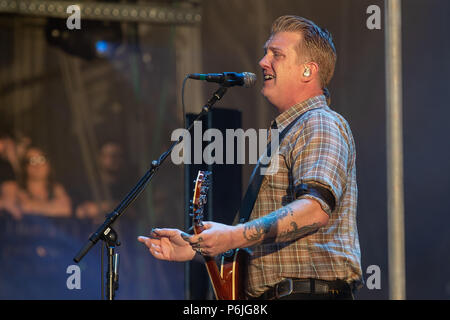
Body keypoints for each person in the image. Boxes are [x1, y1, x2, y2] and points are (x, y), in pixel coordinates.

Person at [138, 15, 363, 300]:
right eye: (266, 52)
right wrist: (196, 245)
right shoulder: (288, 133)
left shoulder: (318, 123)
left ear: (308, 71)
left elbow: (315, 210)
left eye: (276, 54)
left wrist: (232, 236)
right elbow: (257, 237)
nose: (262, 62)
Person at [0, 146, 72, 219]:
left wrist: (34, 206)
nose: (37, 165)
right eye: (32, 161)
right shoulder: (18, 190)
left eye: (41, 159)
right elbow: (23, 207)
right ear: (24, 167)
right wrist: (52, 207)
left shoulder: (56, 188)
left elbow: (66, 210)